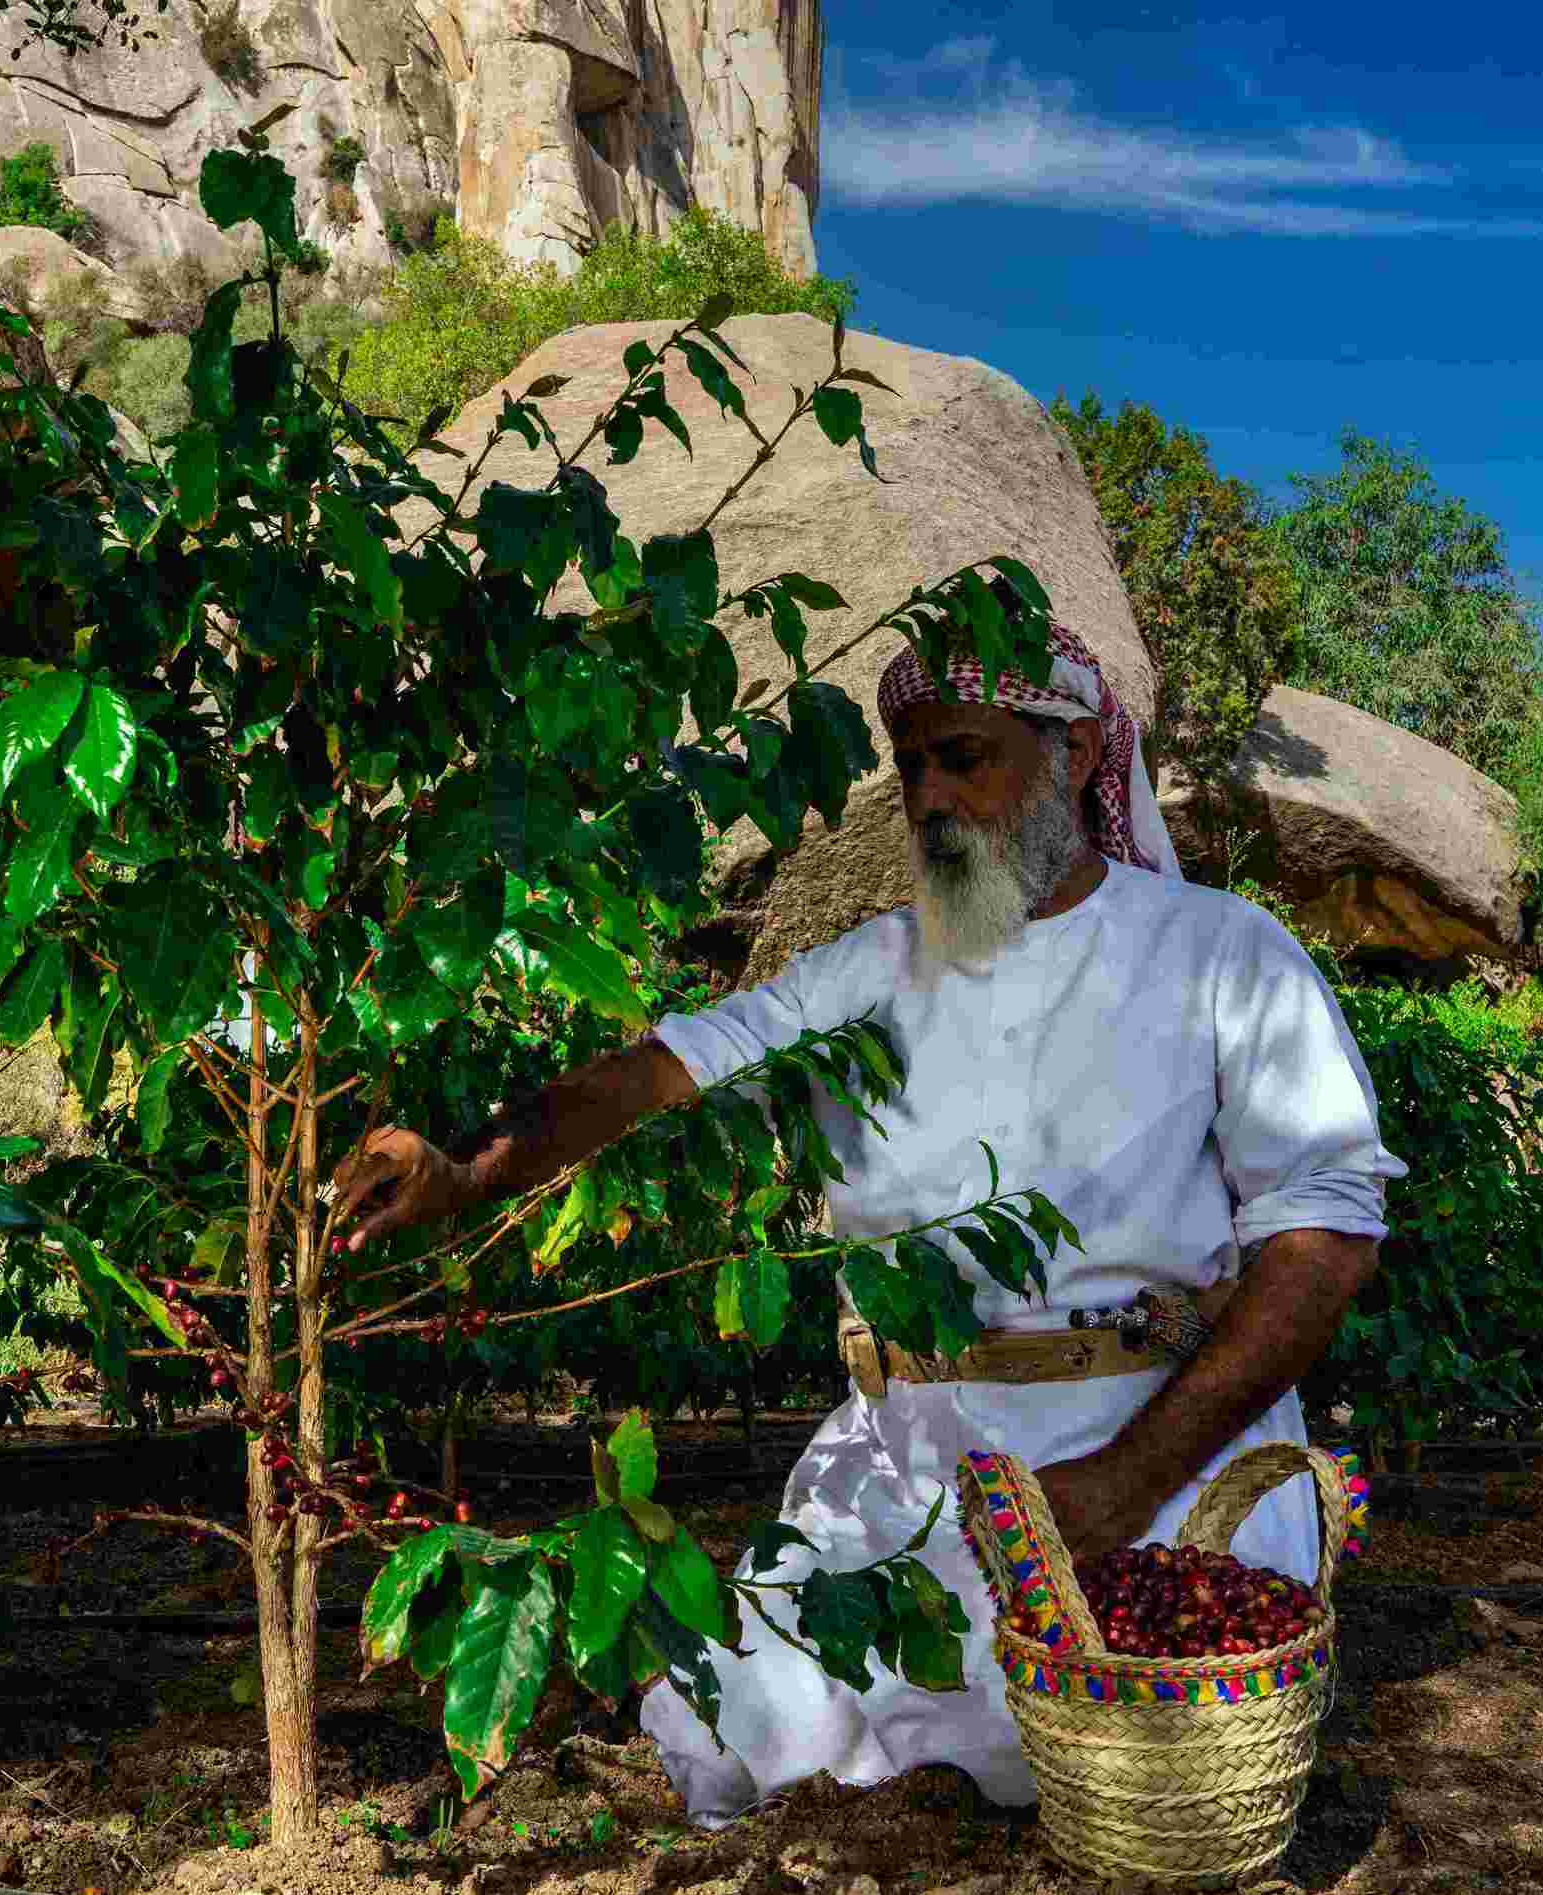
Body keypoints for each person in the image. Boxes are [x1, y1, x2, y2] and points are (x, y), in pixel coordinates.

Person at [330, 603, 1405, 1826]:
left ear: (1075, 756)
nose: (930, 796)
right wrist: (467, 1167)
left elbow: (1324, 1237)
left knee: (1094, 1751)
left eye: (965, 758)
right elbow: (661, 1071)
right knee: (734, 1732)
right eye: (911, 767)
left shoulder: (1222, 954)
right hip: (904, 1474)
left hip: (1155, 1469)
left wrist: (1126, 1478)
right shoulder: (866, 971)